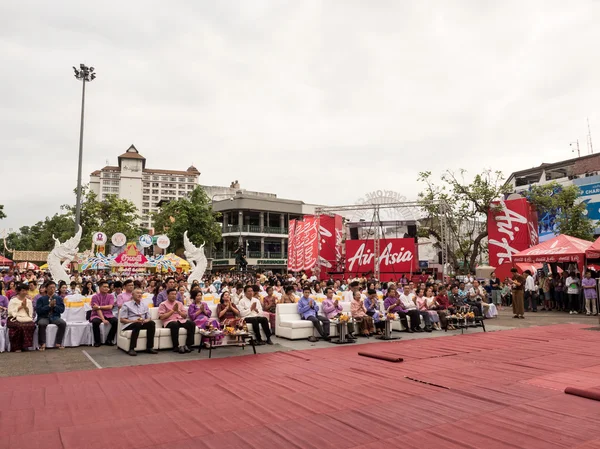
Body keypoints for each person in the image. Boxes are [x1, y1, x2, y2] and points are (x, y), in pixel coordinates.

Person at [119, 287, 158, 356]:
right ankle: (131, 348)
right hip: (130, 324)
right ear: (132, 295)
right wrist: (134, 321)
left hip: (141, 323)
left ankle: (149, 347)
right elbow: (122, 319)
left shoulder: (144, 305)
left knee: (152, 323)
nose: (139, 295)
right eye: (137, 293)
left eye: (141, 293)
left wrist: (146, 320)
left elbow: (149, 317)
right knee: (137, 324)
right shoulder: (126, 305)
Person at [158, 288, 195, 353]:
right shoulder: (163, 304)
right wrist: (173, 311)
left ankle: (188, 345)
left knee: (191, 324)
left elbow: (185, 316)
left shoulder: (179, 303)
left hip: (180, 320)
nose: (174, 296)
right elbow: (162, 317)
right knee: (175, 324)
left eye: (175, 294)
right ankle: (176, 346)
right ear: (167, 295)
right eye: (172, 294)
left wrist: (178, 311)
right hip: (169, 321)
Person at [35, 281, 67, 350]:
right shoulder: (41, 299)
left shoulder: (59, 298)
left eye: (53, 287)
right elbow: (39, 311)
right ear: (46, 288)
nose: (52, 289)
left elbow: (62, 310)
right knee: (42, 323)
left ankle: (58, 342)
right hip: (44, 317)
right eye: (50, 287)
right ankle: (42, 343)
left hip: (55, 317)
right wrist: (49, 306)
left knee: (62, 323)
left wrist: (55, 306)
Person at [7, 283, 35, 352]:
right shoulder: (13, 300)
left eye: (26, 290)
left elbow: (30, 313)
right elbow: (10, 312)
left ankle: (25, 345)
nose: (24, 292)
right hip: (13, 318)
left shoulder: (28, 301)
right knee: (19, 326)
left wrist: (25, 307)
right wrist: (20, 307)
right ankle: (16, 346)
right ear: (18, 291)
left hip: (25, 317)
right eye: (23, 290)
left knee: (31, 325)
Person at [90, 280, 119, 347]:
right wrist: (103, 319)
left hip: (108, 314)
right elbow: (97, 309)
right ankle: (97, 341)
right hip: (97, 315)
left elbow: (110, 307)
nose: (106, 288)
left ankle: (109, 339)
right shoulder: (95, 297)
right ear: (99, 288)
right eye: (104, 287)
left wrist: (99, 306)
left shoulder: (110, 296)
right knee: (95, 322)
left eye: (107, 287)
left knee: (116, 321)